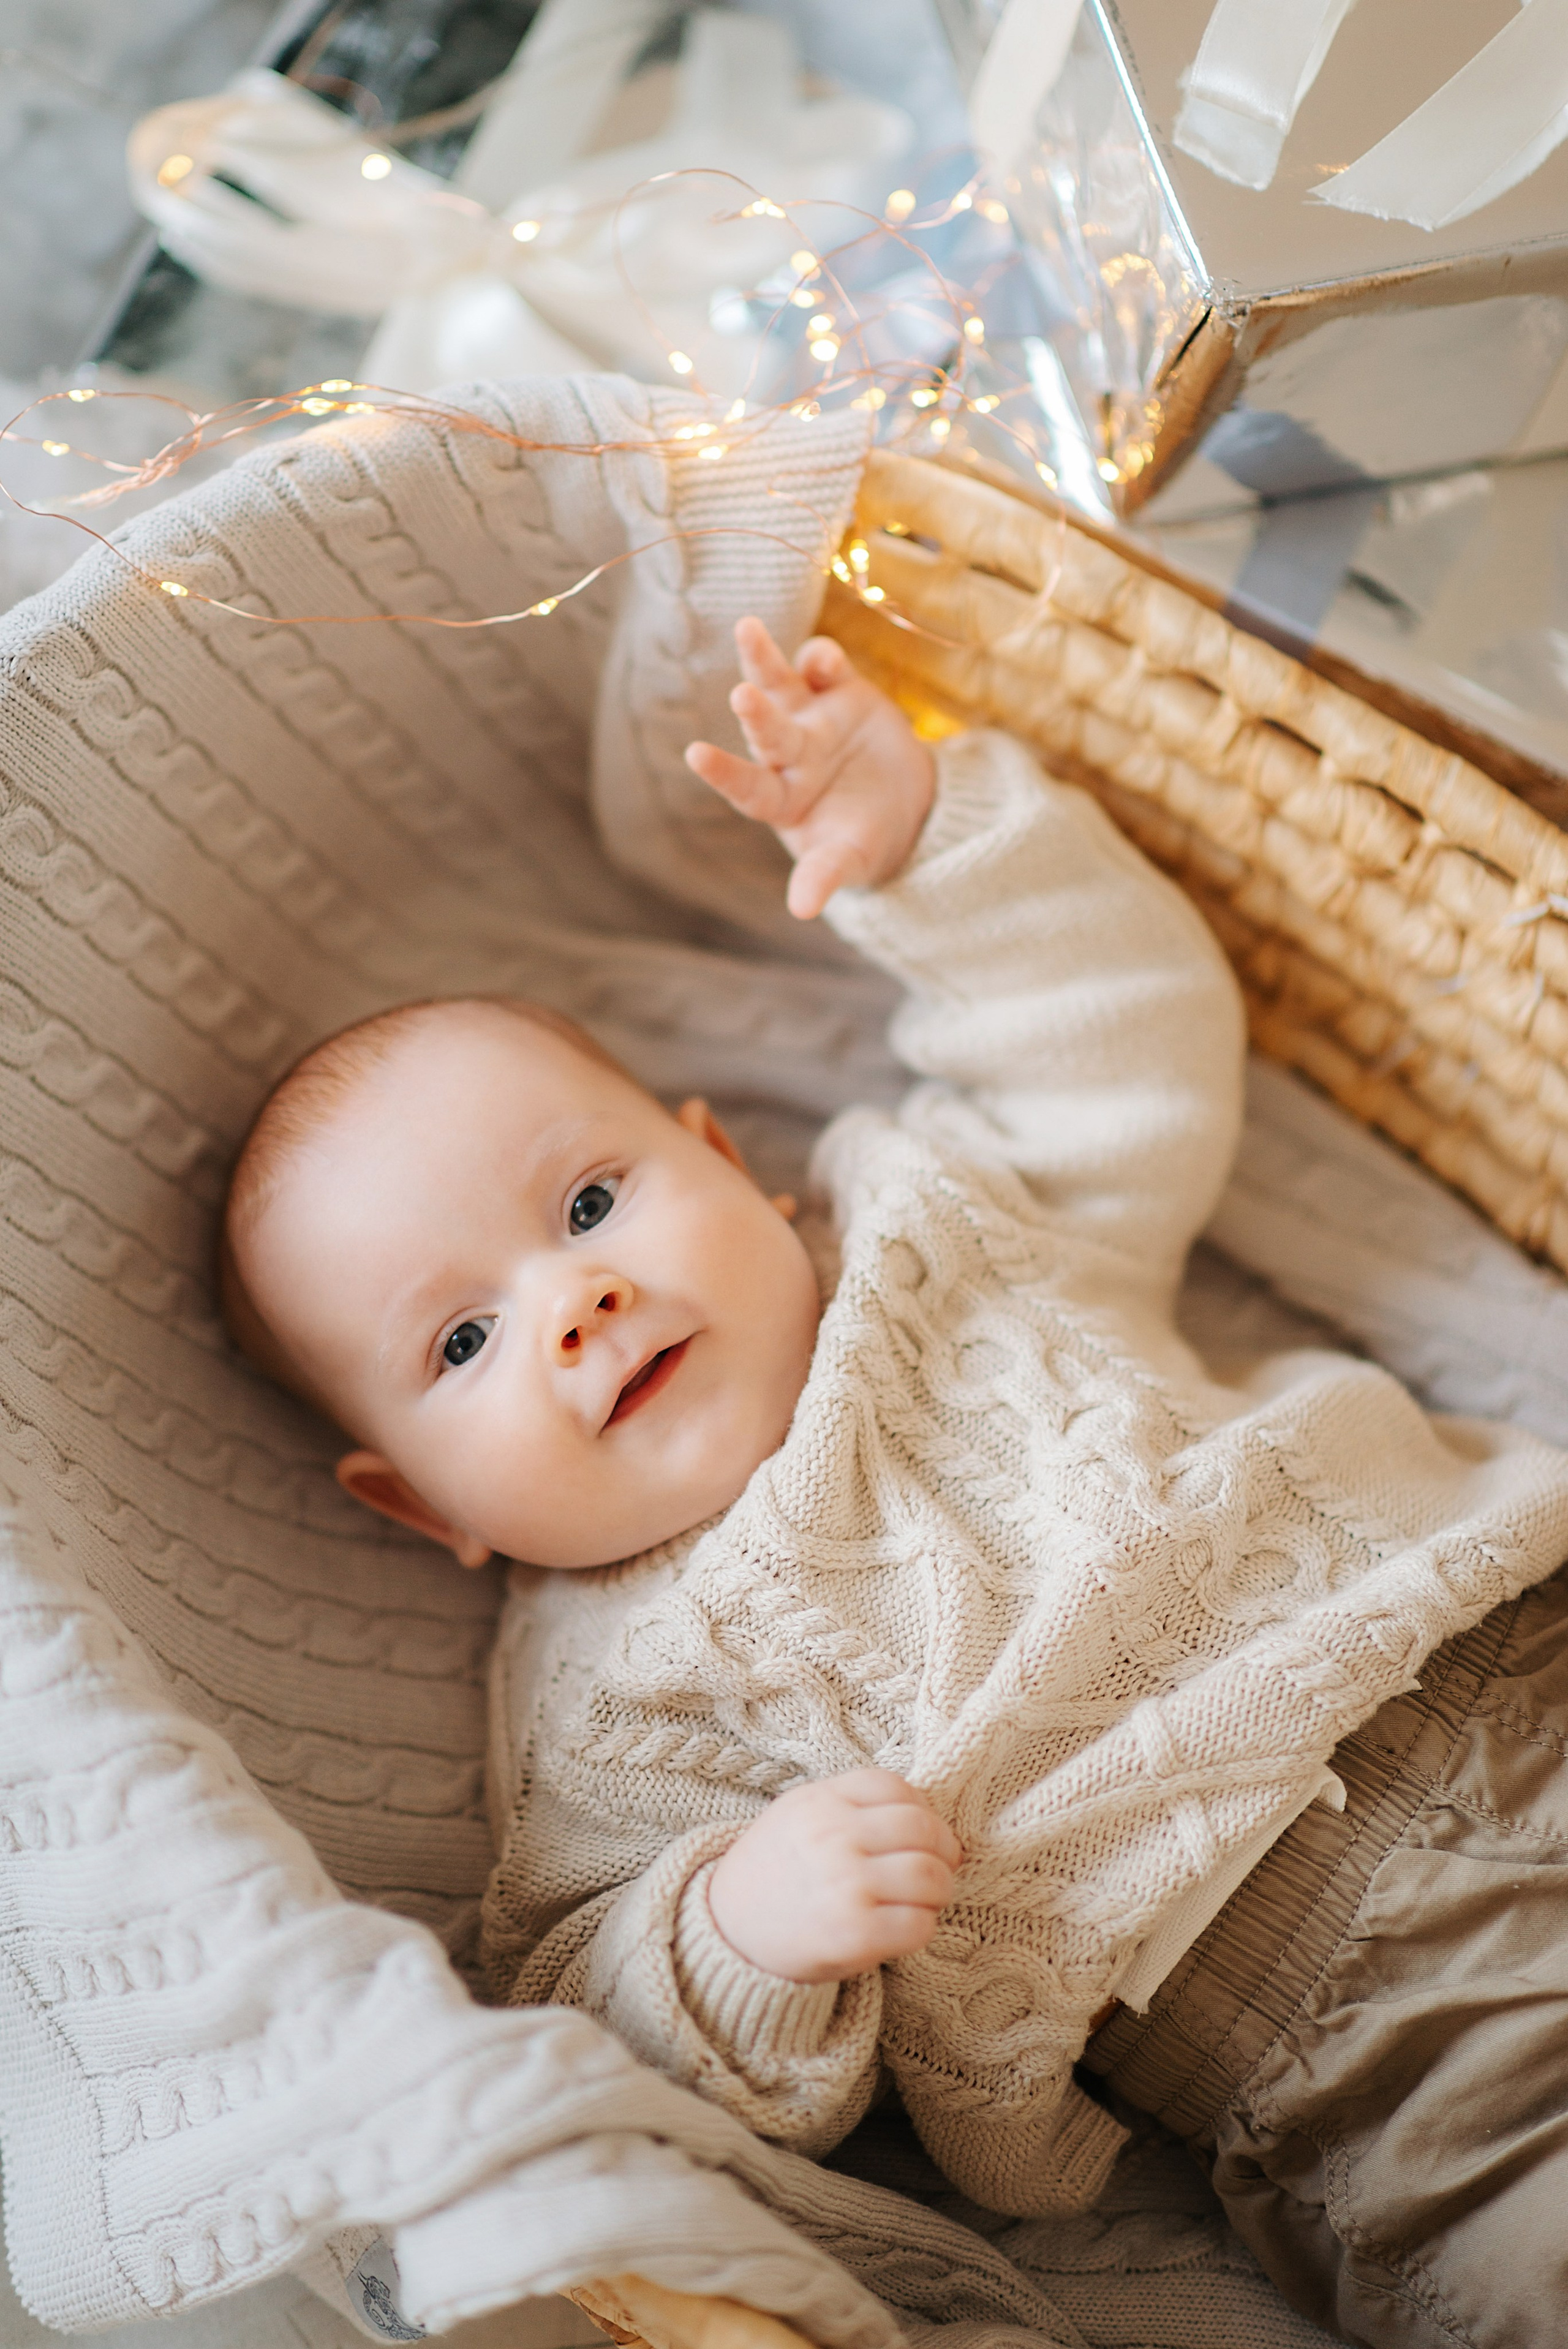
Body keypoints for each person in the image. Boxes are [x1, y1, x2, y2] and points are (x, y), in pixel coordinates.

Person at [221, 617, 1568, 2349]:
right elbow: (590, 2010)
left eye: (589, 1205)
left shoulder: (941, 1221)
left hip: (1506, 1649)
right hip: (1353, 2025)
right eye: (464, 1341)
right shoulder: (613, 1708)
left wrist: (928, 838)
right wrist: (739, 1926)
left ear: (731, 1165)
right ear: (426, 1508)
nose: (577, 1301)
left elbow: (1116, 1045)